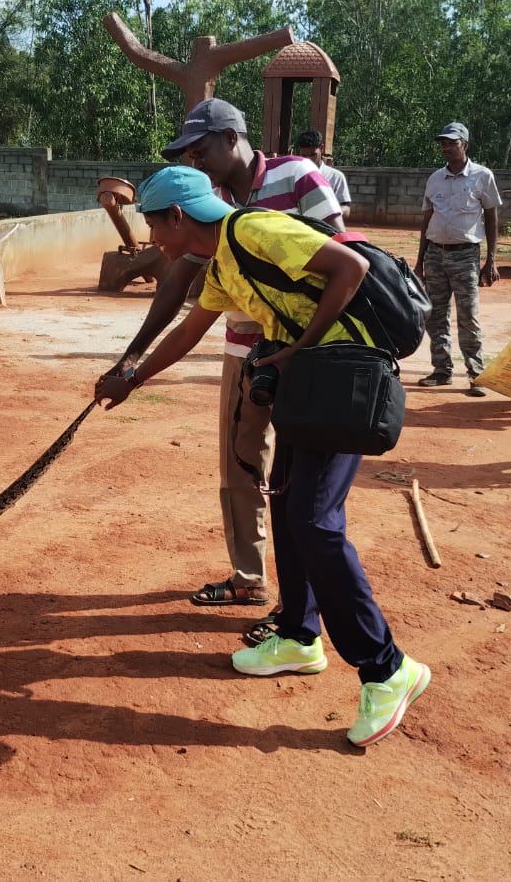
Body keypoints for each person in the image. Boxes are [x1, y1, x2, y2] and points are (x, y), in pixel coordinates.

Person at [94, 165, 430, 748]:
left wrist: (298, 348)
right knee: (286, 503)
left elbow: (348, 267)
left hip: (344, 378)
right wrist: (133, 376)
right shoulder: (222, 260)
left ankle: (387, 667)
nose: (150, 238)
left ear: (176, 217)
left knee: (315, 520)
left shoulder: (252, 231)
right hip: (309, 379)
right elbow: (190, 328)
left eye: (151, 223)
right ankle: (300, 637)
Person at [101, 98, 344, 646]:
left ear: (232, 138)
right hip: (242, 348)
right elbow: (181, 299)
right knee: (243, 466)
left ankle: (303, 616)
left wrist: (296, 345)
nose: (193, 159)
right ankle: (250, 580)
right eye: (186, 152)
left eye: (200, 148)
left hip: (307, 355)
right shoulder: (203, 202)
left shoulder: (296, 177)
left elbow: (343, 258)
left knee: (301, 491)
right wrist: (133, 361)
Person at [415, 122, 502, 397]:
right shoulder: (435, 179)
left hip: (465, 256)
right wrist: (420, 261)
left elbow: (491, 216)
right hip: (435, 254)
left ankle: (476, 375)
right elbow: (427, 219)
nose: (446, 147)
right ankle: (442, 370)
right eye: (443, 143)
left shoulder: (482, 176)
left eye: (452, 142)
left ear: (465, 144)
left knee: (468, 317)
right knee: (435, 315)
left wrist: (492, 259)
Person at [293, 129, 352, 218]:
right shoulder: (292, 176)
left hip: (325, 229)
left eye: (313, 155)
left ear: (322, 148)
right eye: (304, 155)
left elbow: (346, 208)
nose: (308, 159)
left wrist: (328, 214)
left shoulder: (335, 177)